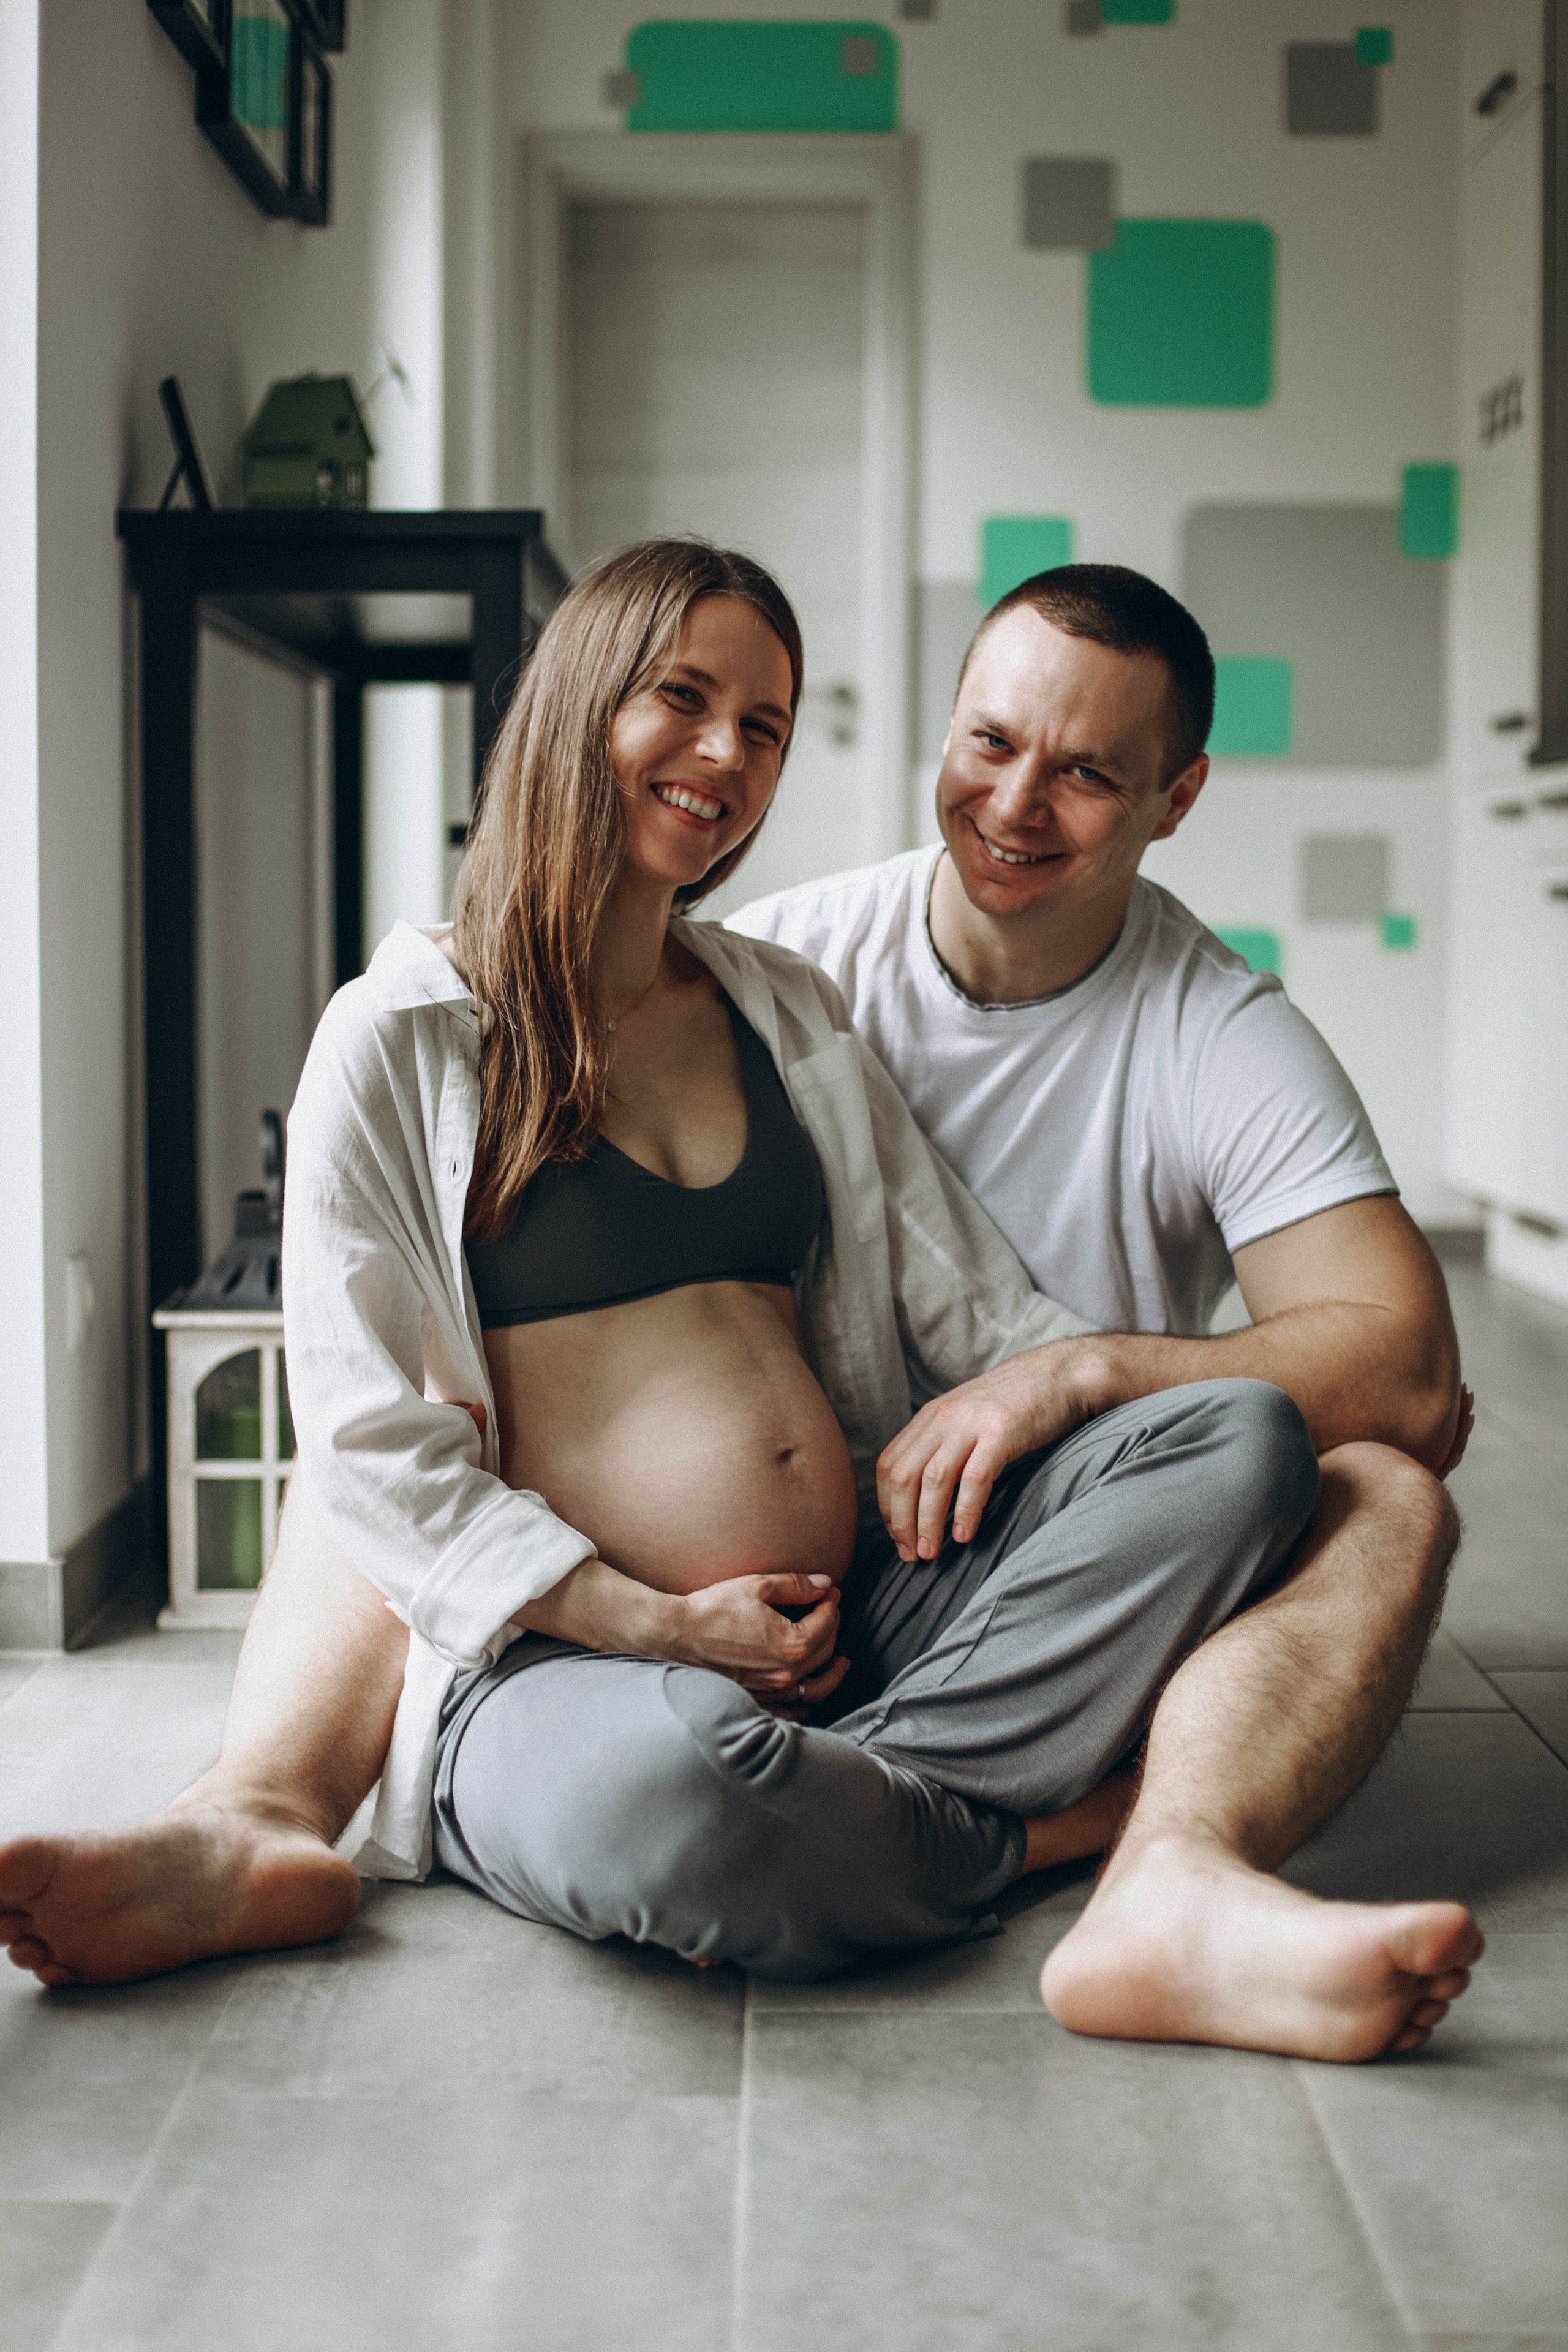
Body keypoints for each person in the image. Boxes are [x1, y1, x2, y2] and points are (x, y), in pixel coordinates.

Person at [0, 543, 1478, 2061]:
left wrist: (1131, 1424)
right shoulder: (399, 1040)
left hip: (862, 1607)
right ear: (581, 706)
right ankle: (1030, 1838)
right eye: (684, 699)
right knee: (686, 1790)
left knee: (1235, 1435)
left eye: (762, 726)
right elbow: (371, 1446)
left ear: (1170, 798)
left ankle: (847, 1819)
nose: (725, 754)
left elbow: (977, 1309)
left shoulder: (787, 1006)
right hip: (572, 1661)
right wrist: (651, 1624)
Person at [729, 562, 1479, 2047]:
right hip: (793, 1574)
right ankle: (993, 1824)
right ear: (944, 725)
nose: (1014, 807)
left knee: (1389, 1491)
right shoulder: (782, 966)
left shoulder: (1215, 1024)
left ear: (1175, 796)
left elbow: (1404, 1369)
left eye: (1084, 774)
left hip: (1094, 1570)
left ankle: (1166, 1877)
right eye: (989, 743)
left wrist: (1072, 1376)